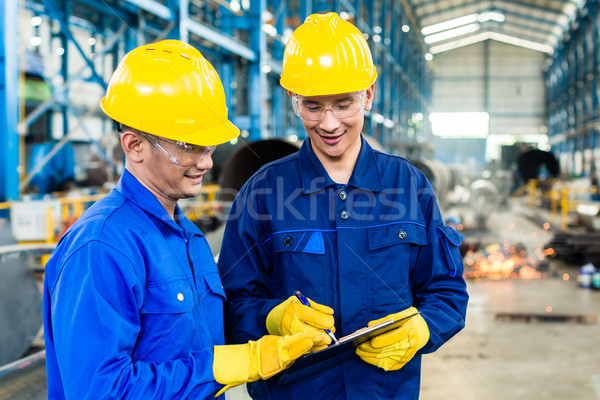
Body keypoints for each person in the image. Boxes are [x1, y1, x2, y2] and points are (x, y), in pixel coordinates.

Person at [42, 40, 327, 400]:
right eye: (189, 147)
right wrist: (213, 369)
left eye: (208, 146)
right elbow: (99, 390)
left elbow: (194, 332)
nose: (207, 162)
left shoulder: (188, 238)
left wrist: (270, 319)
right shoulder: (102, 247)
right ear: (134, 145)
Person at [217, 13, 469, 399]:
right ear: (293, 100)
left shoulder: (409, 187)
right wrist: (271, 316)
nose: (330, 123)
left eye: (343, 104)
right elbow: (232, 303)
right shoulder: (263, 192)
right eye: (313, 107)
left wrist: (423, 328)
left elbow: (445, 291)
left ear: (368, 95)